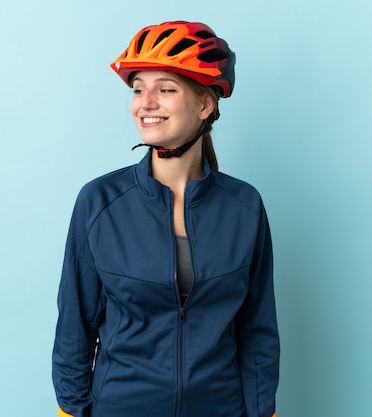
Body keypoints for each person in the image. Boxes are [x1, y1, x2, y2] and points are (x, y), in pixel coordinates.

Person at [52, 20, 280, 417]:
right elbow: (75, 325)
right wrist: (71, 412)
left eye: (166, 89)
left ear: (205, 104)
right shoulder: (99, 202)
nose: (146, 102)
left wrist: (262, 412)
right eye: (139, 89)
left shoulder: (244, 206)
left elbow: (257, 329)